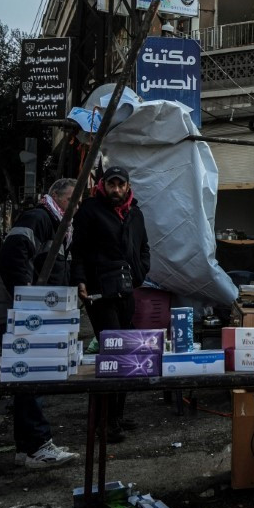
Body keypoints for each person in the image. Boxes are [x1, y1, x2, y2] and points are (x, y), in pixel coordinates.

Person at [0, 179, 79, 468]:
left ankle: (28, 447)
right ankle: (36, 447)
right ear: (54, 197)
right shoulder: (40, 218)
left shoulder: (61, 227)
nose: (74, 207)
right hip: (21, 315)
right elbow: (14, 255)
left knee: (27, 379)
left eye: (77, 202)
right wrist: (28, 301)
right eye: (69, 201)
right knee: (30, 378)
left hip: (34, 315)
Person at [71, 165, 151, 442]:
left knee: (126, 354)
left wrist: (141, 271)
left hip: (127, 291)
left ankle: (116, 416)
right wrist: (80, 280)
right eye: (111, 185)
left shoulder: (135, 213)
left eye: (121, 185)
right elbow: (78, 250)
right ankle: (102, 423)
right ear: (103, 185)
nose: (116, 190)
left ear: (128, 187)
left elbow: (144, 246)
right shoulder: (90, 210)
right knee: (112, 353)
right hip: (99, 292)